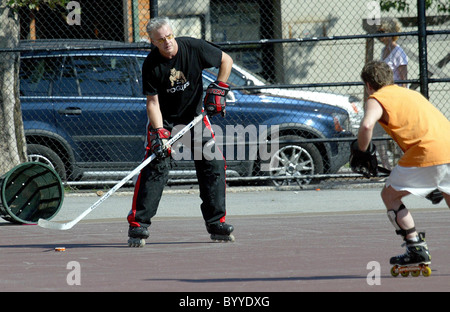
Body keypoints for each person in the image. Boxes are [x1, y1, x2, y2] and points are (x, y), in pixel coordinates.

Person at [127, 17, 234, 247]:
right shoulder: (151, 65)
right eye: (161, 40)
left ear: (172, 34)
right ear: (153, 42)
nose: (167, 42)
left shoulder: (194, 47)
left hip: (194, 119)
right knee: (156, 167)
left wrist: (219, 87)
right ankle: (138, 225)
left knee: (213, 163)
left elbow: (226, 60)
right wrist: (159, 132)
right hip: (165, 123)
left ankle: (216, 222)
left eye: (169, 36)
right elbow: (152, 103)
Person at [351, 60, 450, 269]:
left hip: (426, 152)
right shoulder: (411, 94)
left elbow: (367, 124)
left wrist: (362, 150)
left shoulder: (376, 98)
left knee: (389, 195)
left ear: (368, 85)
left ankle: (415, 247)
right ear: (390, 78)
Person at [373, 17, 409, 170]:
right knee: (377, 131)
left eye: (383, 32)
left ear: (391, 33)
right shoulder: (384, 51)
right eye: (378, 33)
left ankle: (404, 165)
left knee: (399, 133)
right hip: (385, 96)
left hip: (397, 98)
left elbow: (403, 78)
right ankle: (387, 167)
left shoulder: (398, 51)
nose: (380, 37)